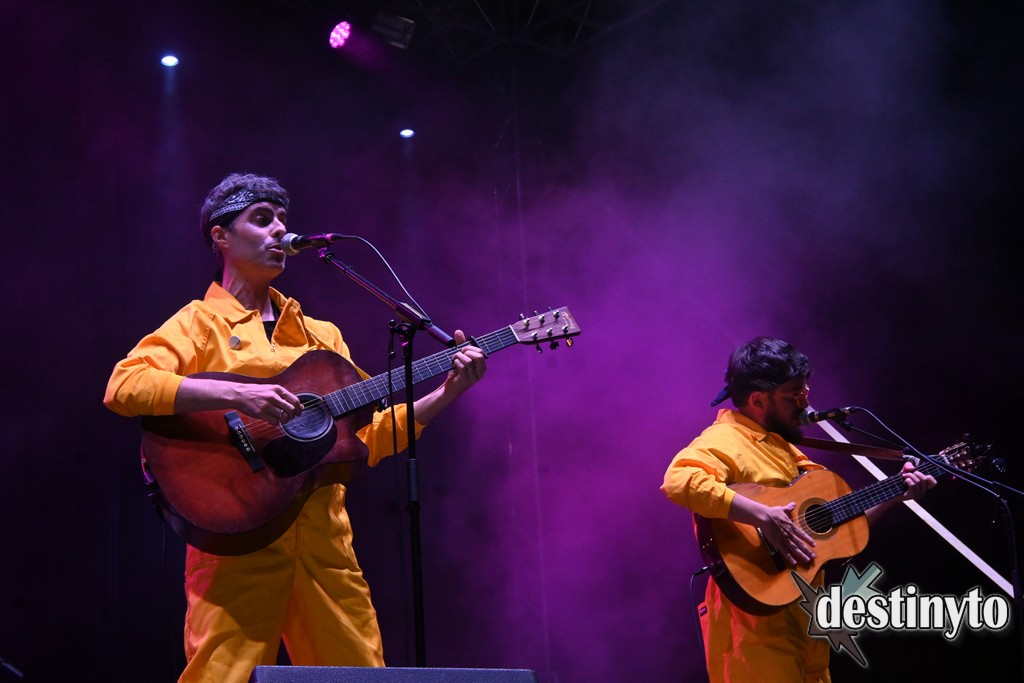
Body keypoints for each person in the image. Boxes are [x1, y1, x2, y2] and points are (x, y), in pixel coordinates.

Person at [104, 172, 488, 683]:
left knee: (360, 679)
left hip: (325, 545)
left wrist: (446, 394)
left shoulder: (321, 337)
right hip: (235, 538)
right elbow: (125, 386)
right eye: (262, 219)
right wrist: (238, 394)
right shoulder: (196, 324)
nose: (279, 230)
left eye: (283, 219)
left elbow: (367, 439)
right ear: (221, 236)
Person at [661, 337, 935, 683]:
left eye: (805, 391)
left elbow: (836, 534)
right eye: (795, 395)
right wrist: (763, 516)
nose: (806, 403)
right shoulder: (724, 440)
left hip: (806, 626)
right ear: (758, 400)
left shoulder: (786, 449)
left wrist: (896, 494)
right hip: (754, 633)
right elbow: (679, 481)